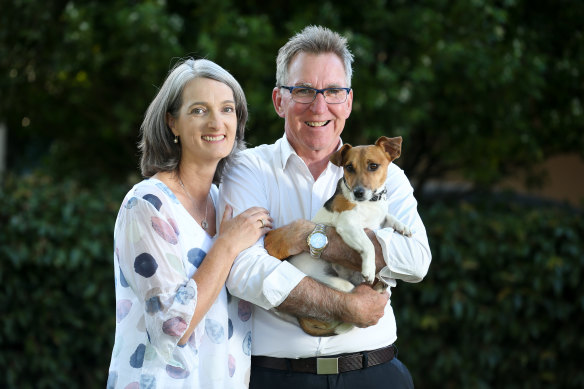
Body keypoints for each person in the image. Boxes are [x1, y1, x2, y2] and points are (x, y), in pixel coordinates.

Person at [218, 26, 432, 388]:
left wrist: (309, 238)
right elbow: (241, 270)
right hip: (278, 378)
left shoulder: (387, 176)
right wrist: (346, 305)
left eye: (333, 91)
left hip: (376, 374)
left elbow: (416, 260)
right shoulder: (247, 168)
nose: (320, 106)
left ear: (348, 101)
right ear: (279, 100)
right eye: (303, 90)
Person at [107, 58, 273, 388]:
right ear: (173, 123)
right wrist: (225, 246)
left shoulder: (225, 202)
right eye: (199, 110)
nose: (216, 122)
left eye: (227, 109)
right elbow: (173, 327)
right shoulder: (147, 204)